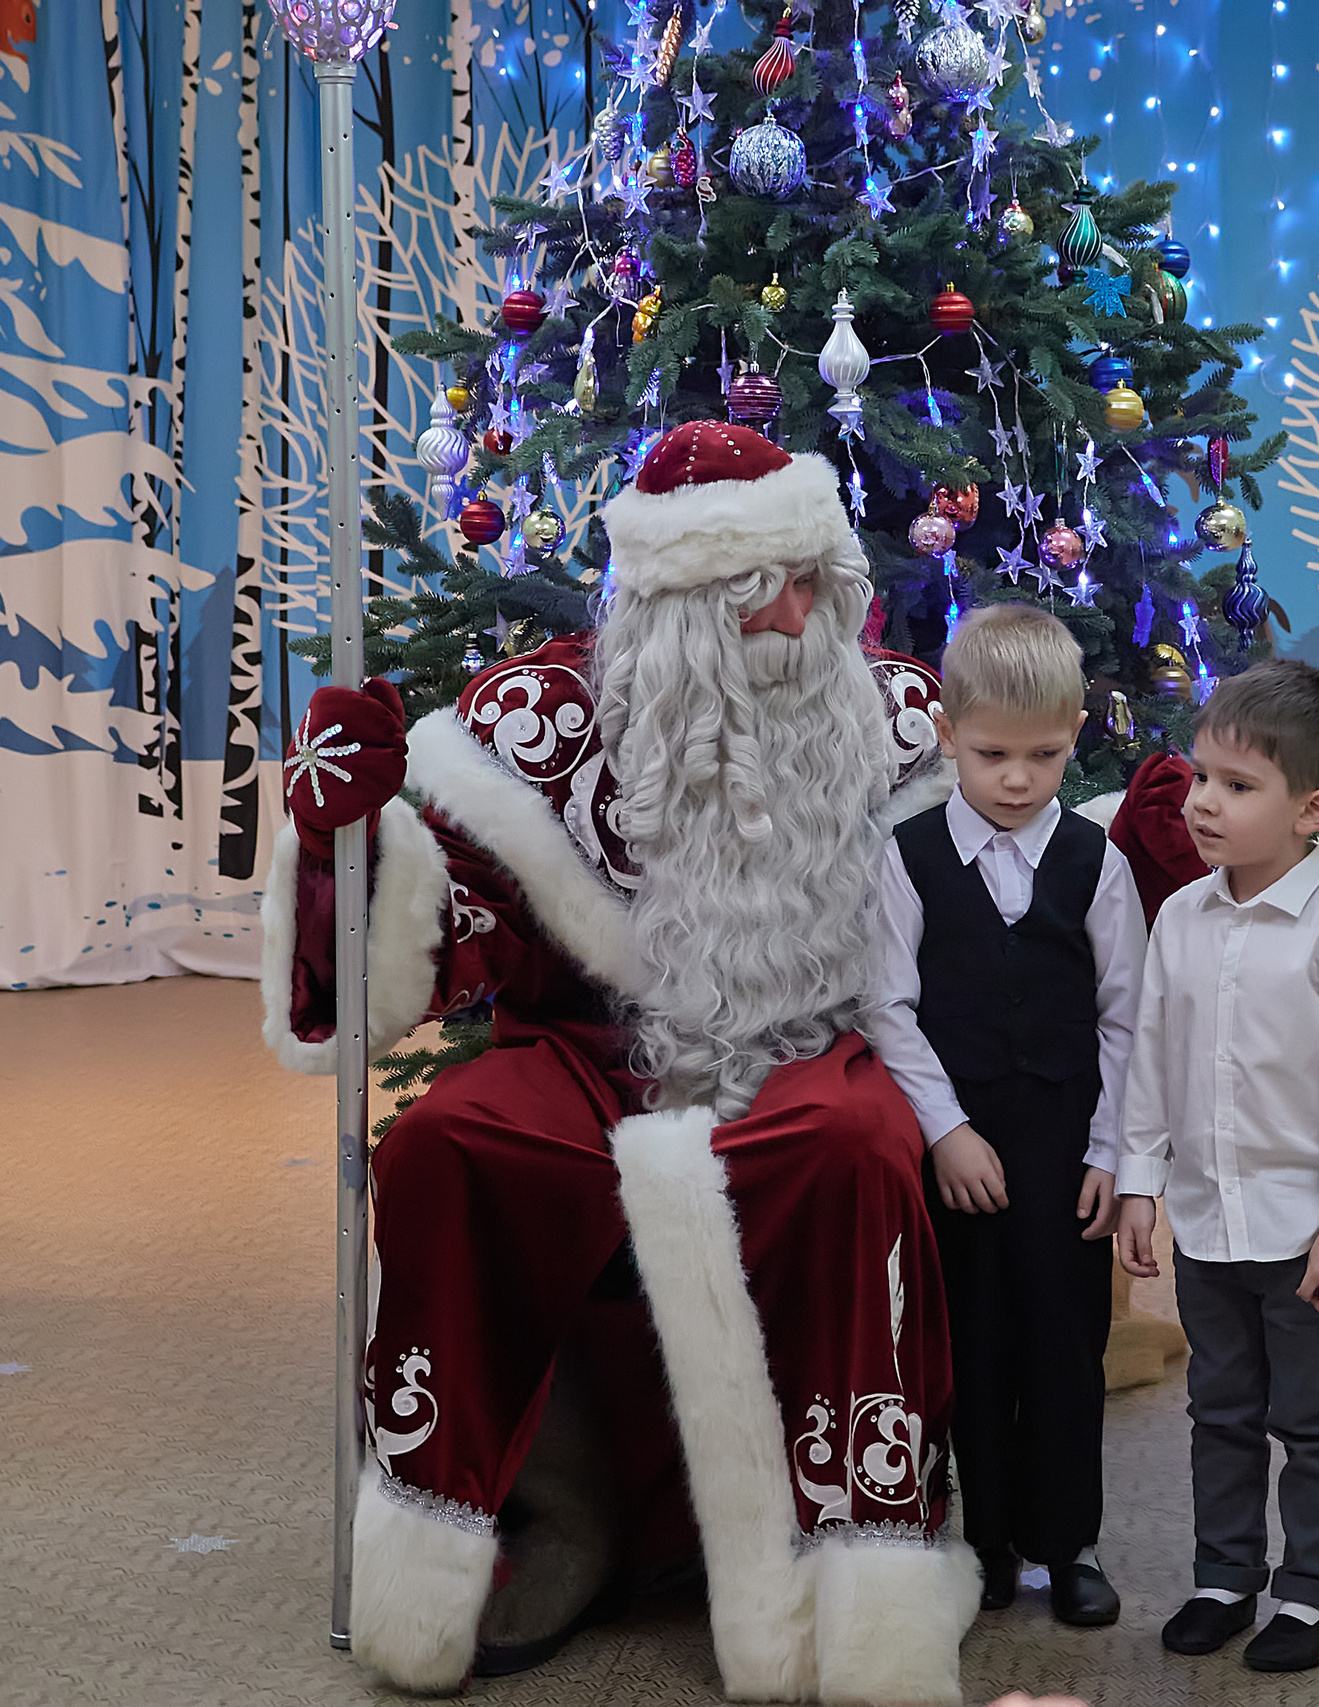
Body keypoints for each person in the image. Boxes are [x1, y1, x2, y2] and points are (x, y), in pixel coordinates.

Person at [261, 420, 979, 1702]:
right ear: (673, 609)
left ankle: (843, 1557)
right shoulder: (535, 725)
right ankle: (543, 1518)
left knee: (849, 1149)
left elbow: (1005, 893)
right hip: (588, 1050)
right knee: (447, 1145)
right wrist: (337, 842)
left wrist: (1151, 865)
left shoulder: (895, 719)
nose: (800, 616)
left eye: (814, 580)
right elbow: (423, 958)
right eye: (760, 590)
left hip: (813, 1047)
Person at [1112, 660, 1319, 1675]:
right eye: (1201, 776)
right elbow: (1151, 1057)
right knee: (1221, 1410)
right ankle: (1224, 1578)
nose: (1203, 801)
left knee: (1312, 1420)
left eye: (1237, 785)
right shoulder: (1179, 919)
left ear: (1312, 810)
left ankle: (1309, 1595)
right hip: (1207, 1224)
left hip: (1306, 1231)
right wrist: (1139, 1179)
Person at [862, 605, 1146, 1629]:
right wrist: (944, 1128)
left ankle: (1069, 1545)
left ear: (1075, 735)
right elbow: (887, 1007)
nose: (1018, 779)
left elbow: (1128, 1019)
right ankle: (983, 1542)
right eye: (992, 755)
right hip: (962, 1147)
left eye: (1044, 755)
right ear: (947, 735)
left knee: (1066, 1343)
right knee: (973, 1344)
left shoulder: (1096, 863)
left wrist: (1112, 1154)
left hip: (1066, 1142)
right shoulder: (907, 858)